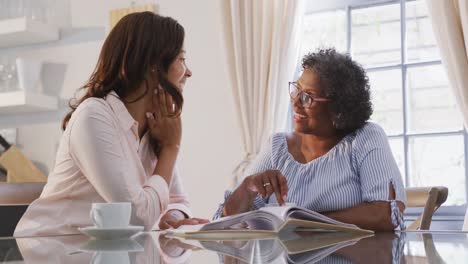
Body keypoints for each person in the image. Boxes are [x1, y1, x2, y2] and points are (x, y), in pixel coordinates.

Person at [14, 12, 208, 237]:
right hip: (53, 252)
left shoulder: (154, 127)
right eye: (181, 59)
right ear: (153, 65)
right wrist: (170, 148)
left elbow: (176, 200)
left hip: (109, 254)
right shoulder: (94, 117)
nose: (189, 72)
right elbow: (136, 216)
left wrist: (173, 216)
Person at [214, 48, 406, 231]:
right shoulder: (277, 147)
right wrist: (248, 186)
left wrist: (303, 221)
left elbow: (385, 214)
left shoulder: (365, 138)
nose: (295, 101)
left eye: (308, 97)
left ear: (338, 108)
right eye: (296, 90)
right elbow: (223, 222)